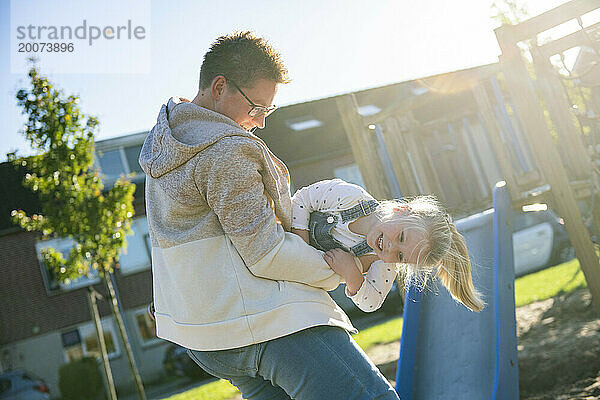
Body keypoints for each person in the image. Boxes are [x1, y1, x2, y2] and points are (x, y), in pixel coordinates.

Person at [139, 31, 400, 400]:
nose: (261, 122)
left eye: (267, 111)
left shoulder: (166, 144)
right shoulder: (225, 151)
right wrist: (343, 270)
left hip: (207, 339)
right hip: (264, 322)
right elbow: (266, 253)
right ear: (219, 87)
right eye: (257, 108)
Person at [291, 178, 485, 313]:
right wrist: (301, 248)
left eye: (401, 257)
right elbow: (302, 199)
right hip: (283, 232)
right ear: (401, 209)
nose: (391, 248)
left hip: (296, 279)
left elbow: (371, 304)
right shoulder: (350, 198)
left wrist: (353, 275)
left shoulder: (383, 264)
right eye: (401, 237)